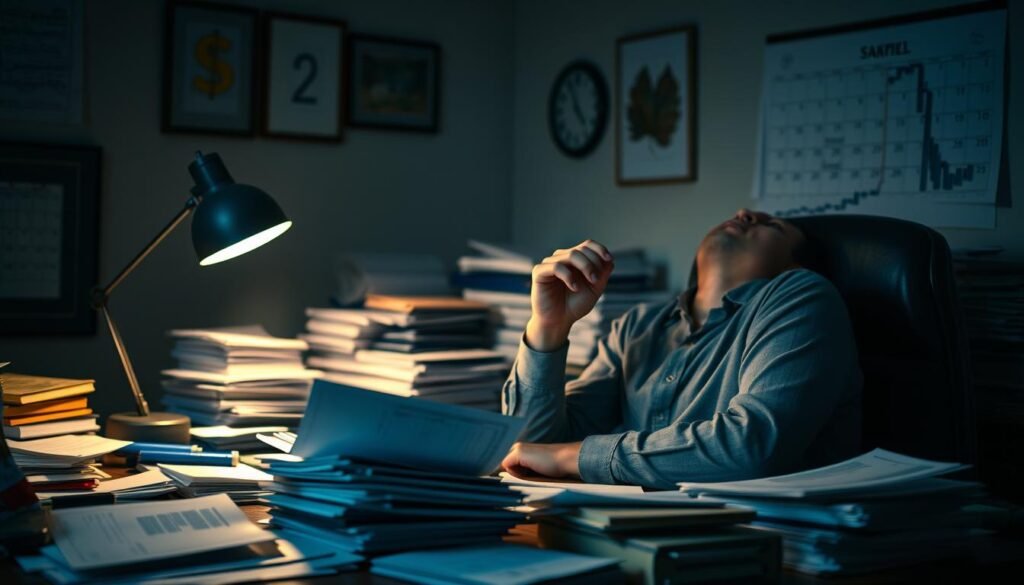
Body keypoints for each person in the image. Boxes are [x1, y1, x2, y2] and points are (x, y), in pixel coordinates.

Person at [499, 209, 862, 489]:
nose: (743, 214)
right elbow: (530, 449)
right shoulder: (636, 327)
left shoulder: (802, 296)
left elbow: (752, 446)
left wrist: (575, 456)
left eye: (772, 226)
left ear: (795, 265)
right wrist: (548, 326)